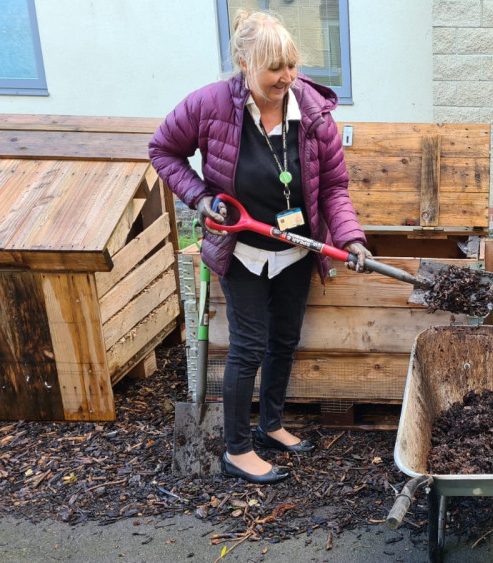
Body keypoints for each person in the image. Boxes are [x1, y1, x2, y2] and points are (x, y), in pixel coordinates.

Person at [149, 10, 372, 484]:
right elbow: (163, 150)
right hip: (241, 248)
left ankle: (270, 425)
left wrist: (350, 236)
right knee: (248, 347)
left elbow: (333, 186)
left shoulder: (312, 113)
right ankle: (236, 449)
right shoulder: (209, 105)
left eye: (291, 65)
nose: (287, 77)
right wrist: (200, 197)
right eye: (275, 68)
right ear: (244, 62)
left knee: (285, 340)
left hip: (296, 245)